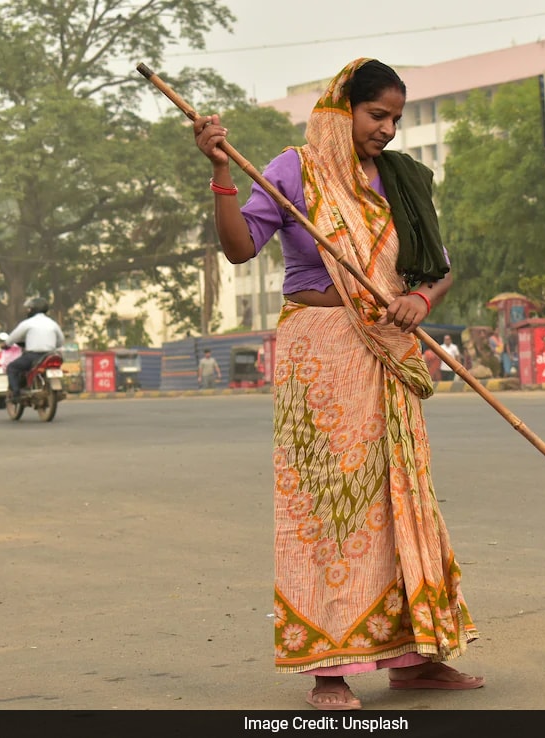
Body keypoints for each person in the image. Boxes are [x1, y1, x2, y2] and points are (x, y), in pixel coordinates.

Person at [193, 58, 481, 711]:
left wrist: (422, 302)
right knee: (328, 510)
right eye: (377, 114)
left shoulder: (402, 179)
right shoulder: (294, 169)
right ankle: (330, 669)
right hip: (319, 355)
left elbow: (439, 269)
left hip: (386, 351)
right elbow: (242, 249)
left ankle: (416, 659)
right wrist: (218, 171)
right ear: (340, 106)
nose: (387, 129)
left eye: (396, 118)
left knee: (400, 501)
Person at [3, 297, 64, 402]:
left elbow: (13, 337)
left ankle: (16, 393)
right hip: (51, 355)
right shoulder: (53, 323)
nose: (28, 311)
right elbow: (60, 341)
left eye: (29, 309)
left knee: (12, 368)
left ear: (34, 309)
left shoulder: (28, 323)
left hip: (33, 356)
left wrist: (6, 344)